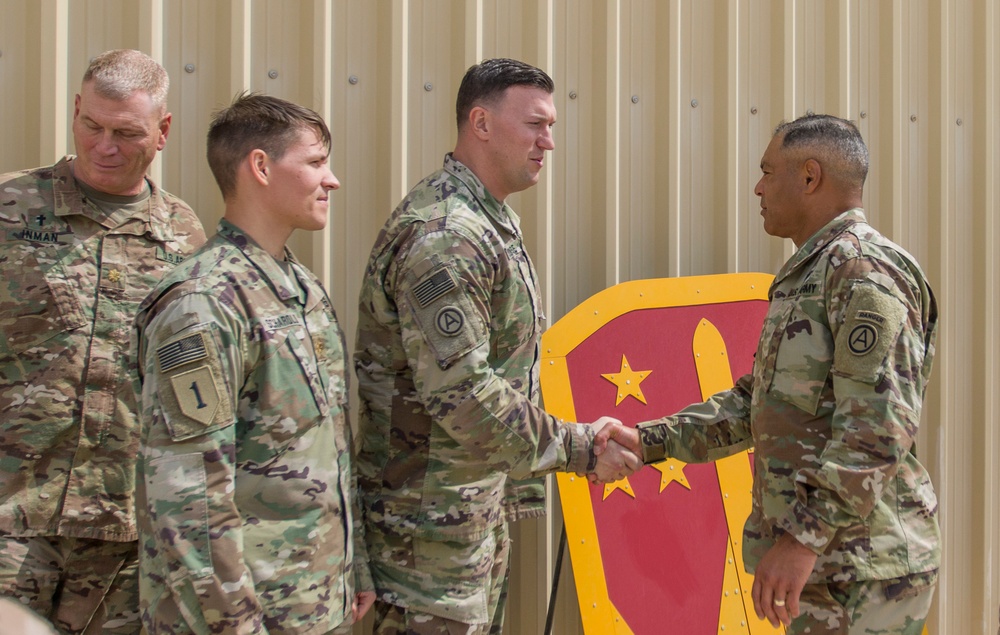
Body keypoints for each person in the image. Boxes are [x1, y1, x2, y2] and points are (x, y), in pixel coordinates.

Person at [597, 114, 940, 634]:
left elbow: (878, 428)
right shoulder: (810, 274)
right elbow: (753, 406)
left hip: (865, 567)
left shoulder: (863, 270)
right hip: (833, 565)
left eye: (767, 171)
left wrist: (803, 538)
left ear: (809, 176)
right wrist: (646, 441)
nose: (757, 187)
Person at [354, 58, 640, 634]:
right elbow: (463, 394)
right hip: (425, 543)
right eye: (535, 124)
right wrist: (580, 448)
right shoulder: (446, 236)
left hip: (463, 522)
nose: (549, 142)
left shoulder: (487, 222)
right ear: (480, 123)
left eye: (551, 126)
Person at [132, 92, 375, 634]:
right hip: (242, 617)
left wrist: (350, 566)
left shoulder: (301, 288)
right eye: (314, 162)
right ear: (260, 167)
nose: (331, 179)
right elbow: (188, 500)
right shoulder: (203, 303)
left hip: (313, 604)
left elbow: (329, 444)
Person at [0, 49, 205, 634]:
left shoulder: (182, 235)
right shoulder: (10, 207)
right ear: (74, 112)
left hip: (123, 531)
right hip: (12, 518)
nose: (104, 146)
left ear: (162, 132)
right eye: (91, 126)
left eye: (125, 132)